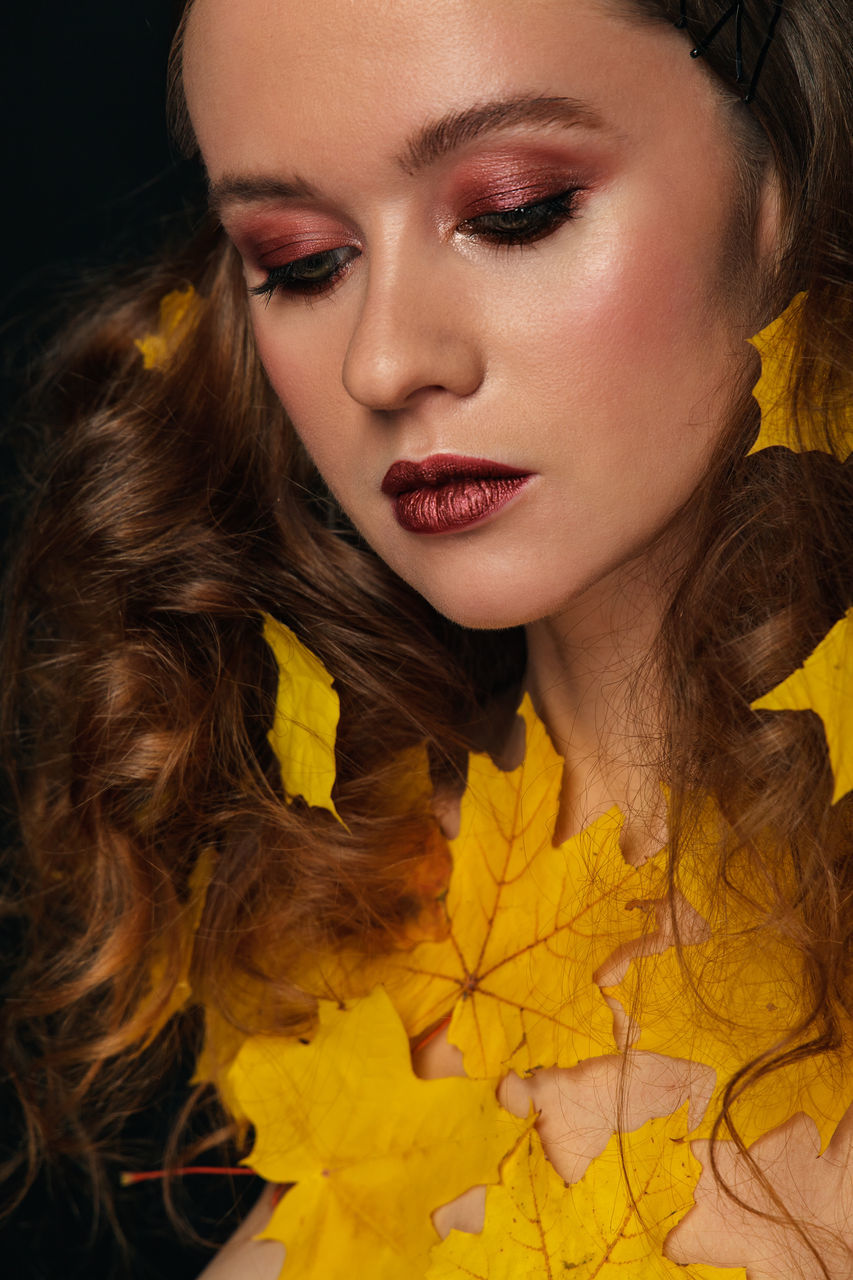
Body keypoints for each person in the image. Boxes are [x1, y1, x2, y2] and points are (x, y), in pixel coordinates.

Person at [3, 0, 852, 1276]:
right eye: (298, 261)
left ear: (782, 180)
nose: (383, 362)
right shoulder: (342, 924)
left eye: (513, 210)